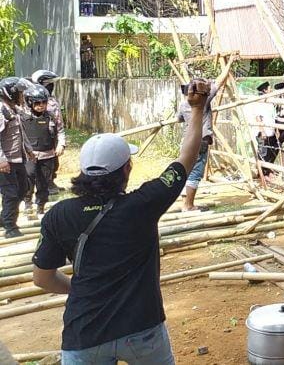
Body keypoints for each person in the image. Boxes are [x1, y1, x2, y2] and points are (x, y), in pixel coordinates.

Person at [32, 78, 211, 364]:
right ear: (127, 168)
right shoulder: (144, 204)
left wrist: (79, 288)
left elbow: (42, 278)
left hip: (84, 335)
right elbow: (186, 158)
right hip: (142, 330)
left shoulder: (58, 215)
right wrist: (198, 108)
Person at [21, 85, 64, 216]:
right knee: (29, 179)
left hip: (48, 155)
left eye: (44, 102)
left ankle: (41, 205)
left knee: (44, 182)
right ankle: (28, 203)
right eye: (37, 103)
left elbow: (60, 131)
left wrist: (61, 145)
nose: (41, 105)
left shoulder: (51, 116)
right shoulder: (22, 117)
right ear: (29, 103)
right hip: (30, 155)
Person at [176, 81, 218, 211]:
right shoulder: (203, 101)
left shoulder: (182, 105)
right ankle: (189, 205)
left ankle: (185, 203)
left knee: (186, 171)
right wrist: (229, 64)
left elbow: (179, 119)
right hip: (200, 141)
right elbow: (218, 84)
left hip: (188, 141)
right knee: (195, 173)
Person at [0, 78, 32, 238]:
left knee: (23, 188)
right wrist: (1, 160)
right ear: (10, 93)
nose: (22, 95)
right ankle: (10, 227)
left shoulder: (13, 109)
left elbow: (20, 133)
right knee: (11, 193)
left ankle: (3, 218)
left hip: (18, 158)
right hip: (6, 161)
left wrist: (29, 149)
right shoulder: (1, 110)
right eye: (19, 92)